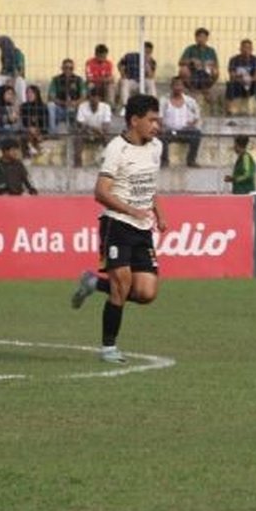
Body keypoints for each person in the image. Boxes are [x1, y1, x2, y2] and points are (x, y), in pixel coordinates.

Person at [69, 94, 167, 364]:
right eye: (151, 120)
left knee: (146, 293)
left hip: (142, 229)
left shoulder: (155, 146)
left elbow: (149, 184)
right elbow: (100, 192)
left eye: (157, 120)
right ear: (135, 121)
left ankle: (92, 283)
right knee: (121, 285)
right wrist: (131, 210)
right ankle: (108, 348)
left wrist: (159, 212)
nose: (156, 126)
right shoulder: (116, 149)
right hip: (116, 224)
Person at [159, 77, 202, 168]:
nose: (178, 88)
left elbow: (197, 115)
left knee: (197, 134)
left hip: (185, 131)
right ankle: (164, 161)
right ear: (171, 87)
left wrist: (192, 123)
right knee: (161, 136)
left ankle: (191, 160)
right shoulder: (164, 100)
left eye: (180, 85)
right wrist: (162, 126)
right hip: (169, 131)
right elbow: (159, 116)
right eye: (176, 85)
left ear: (183, 87)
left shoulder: (190, 101)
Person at [73, 86, 113, 167]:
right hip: (87, 132)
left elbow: (106, 125)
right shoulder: (82, 106)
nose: (94, 99)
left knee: (108, 136)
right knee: (78, 137)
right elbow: (80, 124)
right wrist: (93, 129)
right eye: (92, 96)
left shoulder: (106, 107)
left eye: (96, 97)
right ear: (89, 98)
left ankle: (110, 163)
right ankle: (78, 165)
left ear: (100, 98)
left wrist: (99, 131)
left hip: (101, 133)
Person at [226, 39, 256, 115]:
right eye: (244, 47)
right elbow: (232, 75)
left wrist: (250, 79)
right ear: (240, 49)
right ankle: (229, 109)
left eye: (249, 48)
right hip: (238, 84)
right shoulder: (234, 60)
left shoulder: (255, 60)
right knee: (230, 85)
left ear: (252, 49)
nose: (246, 50)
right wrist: (241, 80)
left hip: (251, 84)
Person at [48, 58, 86, 133]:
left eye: (70, 68)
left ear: (73, 69)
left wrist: (76, 102)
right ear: (62, 68)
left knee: (82, 105)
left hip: (74, 108)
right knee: (50, 105)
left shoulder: (78, 80)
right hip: (60, 109)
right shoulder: (56, 80)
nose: (68, 70)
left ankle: (79, 130)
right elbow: (51, 96)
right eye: (66, 68)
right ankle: (52, 132)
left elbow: (84, 96)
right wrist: (62, 103)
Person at [179, 27, 218, 96]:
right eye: (199, 37)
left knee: (215, 71)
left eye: (204, 37)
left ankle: (206, 88)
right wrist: (191, 61)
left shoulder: (211, 50)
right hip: (193, 72)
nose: (201, 39)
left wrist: (210, 63)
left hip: (206, 71)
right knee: (183, 70)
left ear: (207, 38)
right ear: (196, 38)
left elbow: (216, 64)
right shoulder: (190, 49)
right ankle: (192, 88)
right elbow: (181, 62)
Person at [0, 35, 26, 106]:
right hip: (6, 76)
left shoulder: (17, 53)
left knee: (20, 83)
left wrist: (12, 80)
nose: (0, 48)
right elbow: (4, 69)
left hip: (16, 77)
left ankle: (23, 105)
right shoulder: (3, 55)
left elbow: (20, 70)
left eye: (1, 45)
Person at [20, 84, 51, 157]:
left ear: (36, 94)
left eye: (31, 93)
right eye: (27, 93)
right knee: (27, 134)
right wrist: (30, 128)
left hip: (40, 131)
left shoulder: (42, 107)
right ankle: (35, 151)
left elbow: (45, 123)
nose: (29, 95)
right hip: (27, 130)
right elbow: (24, 121)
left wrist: (37, 129)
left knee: (34, 134)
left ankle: (34, 151)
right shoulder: (24, 106)